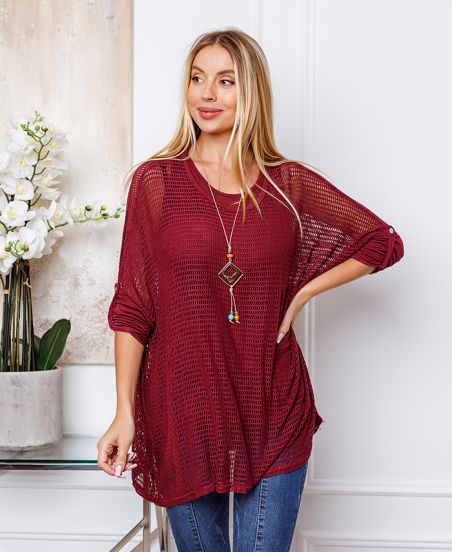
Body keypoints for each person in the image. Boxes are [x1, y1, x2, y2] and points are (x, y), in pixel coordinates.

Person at [97, 28, 404, 552]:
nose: (206, 94)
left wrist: (301, 293)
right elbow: (132, 307)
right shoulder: (158, 182)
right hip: (183, 409)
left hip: (272, 405)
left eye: (225, 81)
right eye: (197, 79)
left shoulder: (288, 184)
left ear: (251, 91)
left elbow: (382, 241)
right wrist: (124, 410)